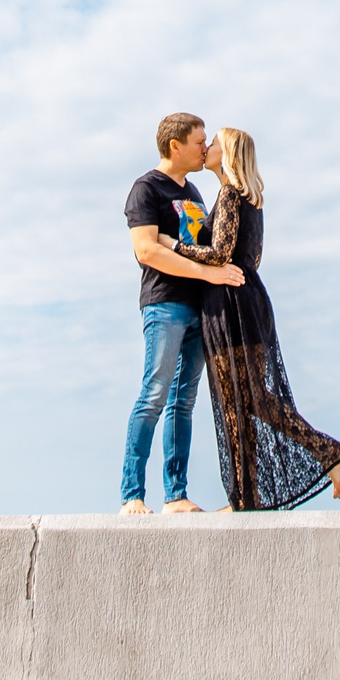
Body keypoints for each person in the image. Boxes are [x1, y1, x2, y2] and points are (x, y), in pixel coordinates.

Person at [175, 127, 340, 511]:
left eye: (214, 143)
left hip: (230, 304)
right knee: (242, 401)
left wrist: (178, 247)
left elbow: (221, 251)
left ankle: (326, 451)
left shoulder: (230, 193)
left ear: (230, 152)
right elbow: (250, 258)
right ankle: (244, 499)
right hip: (249, 299)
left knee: (245, 399)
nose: (208, 148)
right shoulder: (251, 197)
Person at [120, 112, 243, 515]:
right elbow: (147, 249)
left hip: (199, 309)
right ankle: (131, 495)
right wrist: (205, 273)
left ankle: (175, 495)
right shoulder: (146, 188)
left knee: (183, 401)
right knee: (153, 394)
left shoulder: (195, 191)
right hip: (165, 303)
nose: (204, 148)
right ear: (175, 145)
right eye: (198, 142)